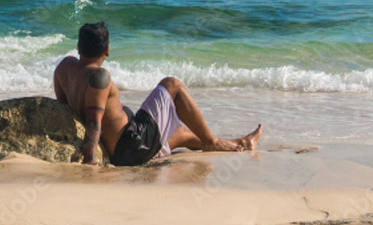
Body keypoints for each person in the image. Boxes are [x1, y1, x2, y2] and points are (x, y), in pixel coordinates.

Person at [53, 22, 262, 166]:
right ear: (107, 49)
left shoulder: (64, 67)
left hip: (129, 142)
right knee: (172, 85)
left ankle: (240, 143)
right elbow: (93, 122)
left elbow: (62, 110)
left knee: (178, 133)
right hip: (130, 148)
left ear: (78, 46)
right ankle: (212, 142)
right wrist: (89, 162)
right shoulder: (100, 77)